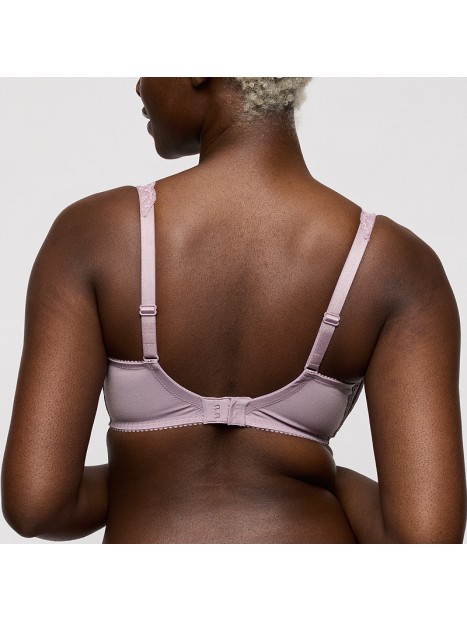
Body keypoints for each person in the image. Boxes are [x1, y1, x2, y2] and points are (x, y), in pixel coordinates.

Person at [2, 77, 466, 543]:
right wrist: (319, 476)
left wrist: (148, 474)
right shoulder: (394, 265)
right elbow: (424, 540)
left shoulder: (94, 236)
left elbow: (38, 506)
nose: (140, 83)